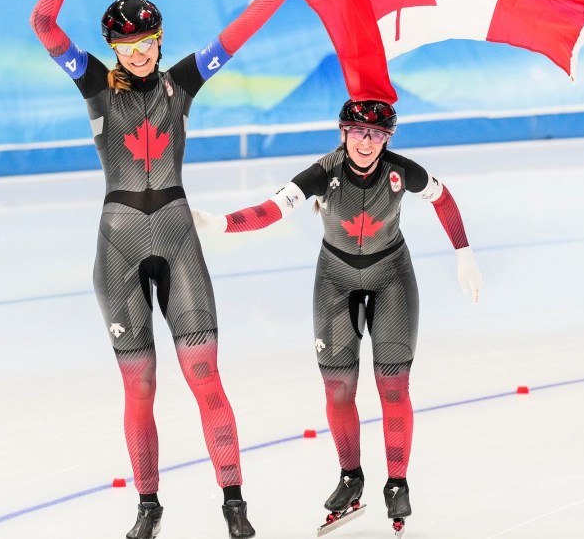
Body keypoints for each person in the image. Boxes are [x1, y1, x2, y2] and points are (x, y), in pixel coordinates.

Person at [28, 0, 339, 537]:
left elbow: (243, 30)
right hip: (118, 244)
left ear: (160, 39)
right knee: (139, 385)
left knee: (206, 379)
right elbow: (42, 22)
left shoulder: (184, 83)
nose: (138, 53)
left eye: (146, 42)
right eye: (126, 44)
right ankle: (148, 507)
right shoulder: (93, 81)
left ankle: (234, 505)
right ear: (112, 47)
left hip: (176, 238)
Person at [192, 99, 483, 536]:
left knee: (393, 385)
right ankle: (351, 476)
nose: (367, 142)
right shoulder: (322, 174)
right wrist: (220, 224)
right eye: (359, 132)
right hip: (335, 280)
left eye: (378, 135)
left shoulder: (402, 171)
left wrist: (465, 252)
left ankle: (397, 481)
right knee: (338, 387)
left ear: (388, 138)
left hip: (392, 277)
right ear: (343, 132)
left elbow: (443, 198)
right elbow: (271, 210)